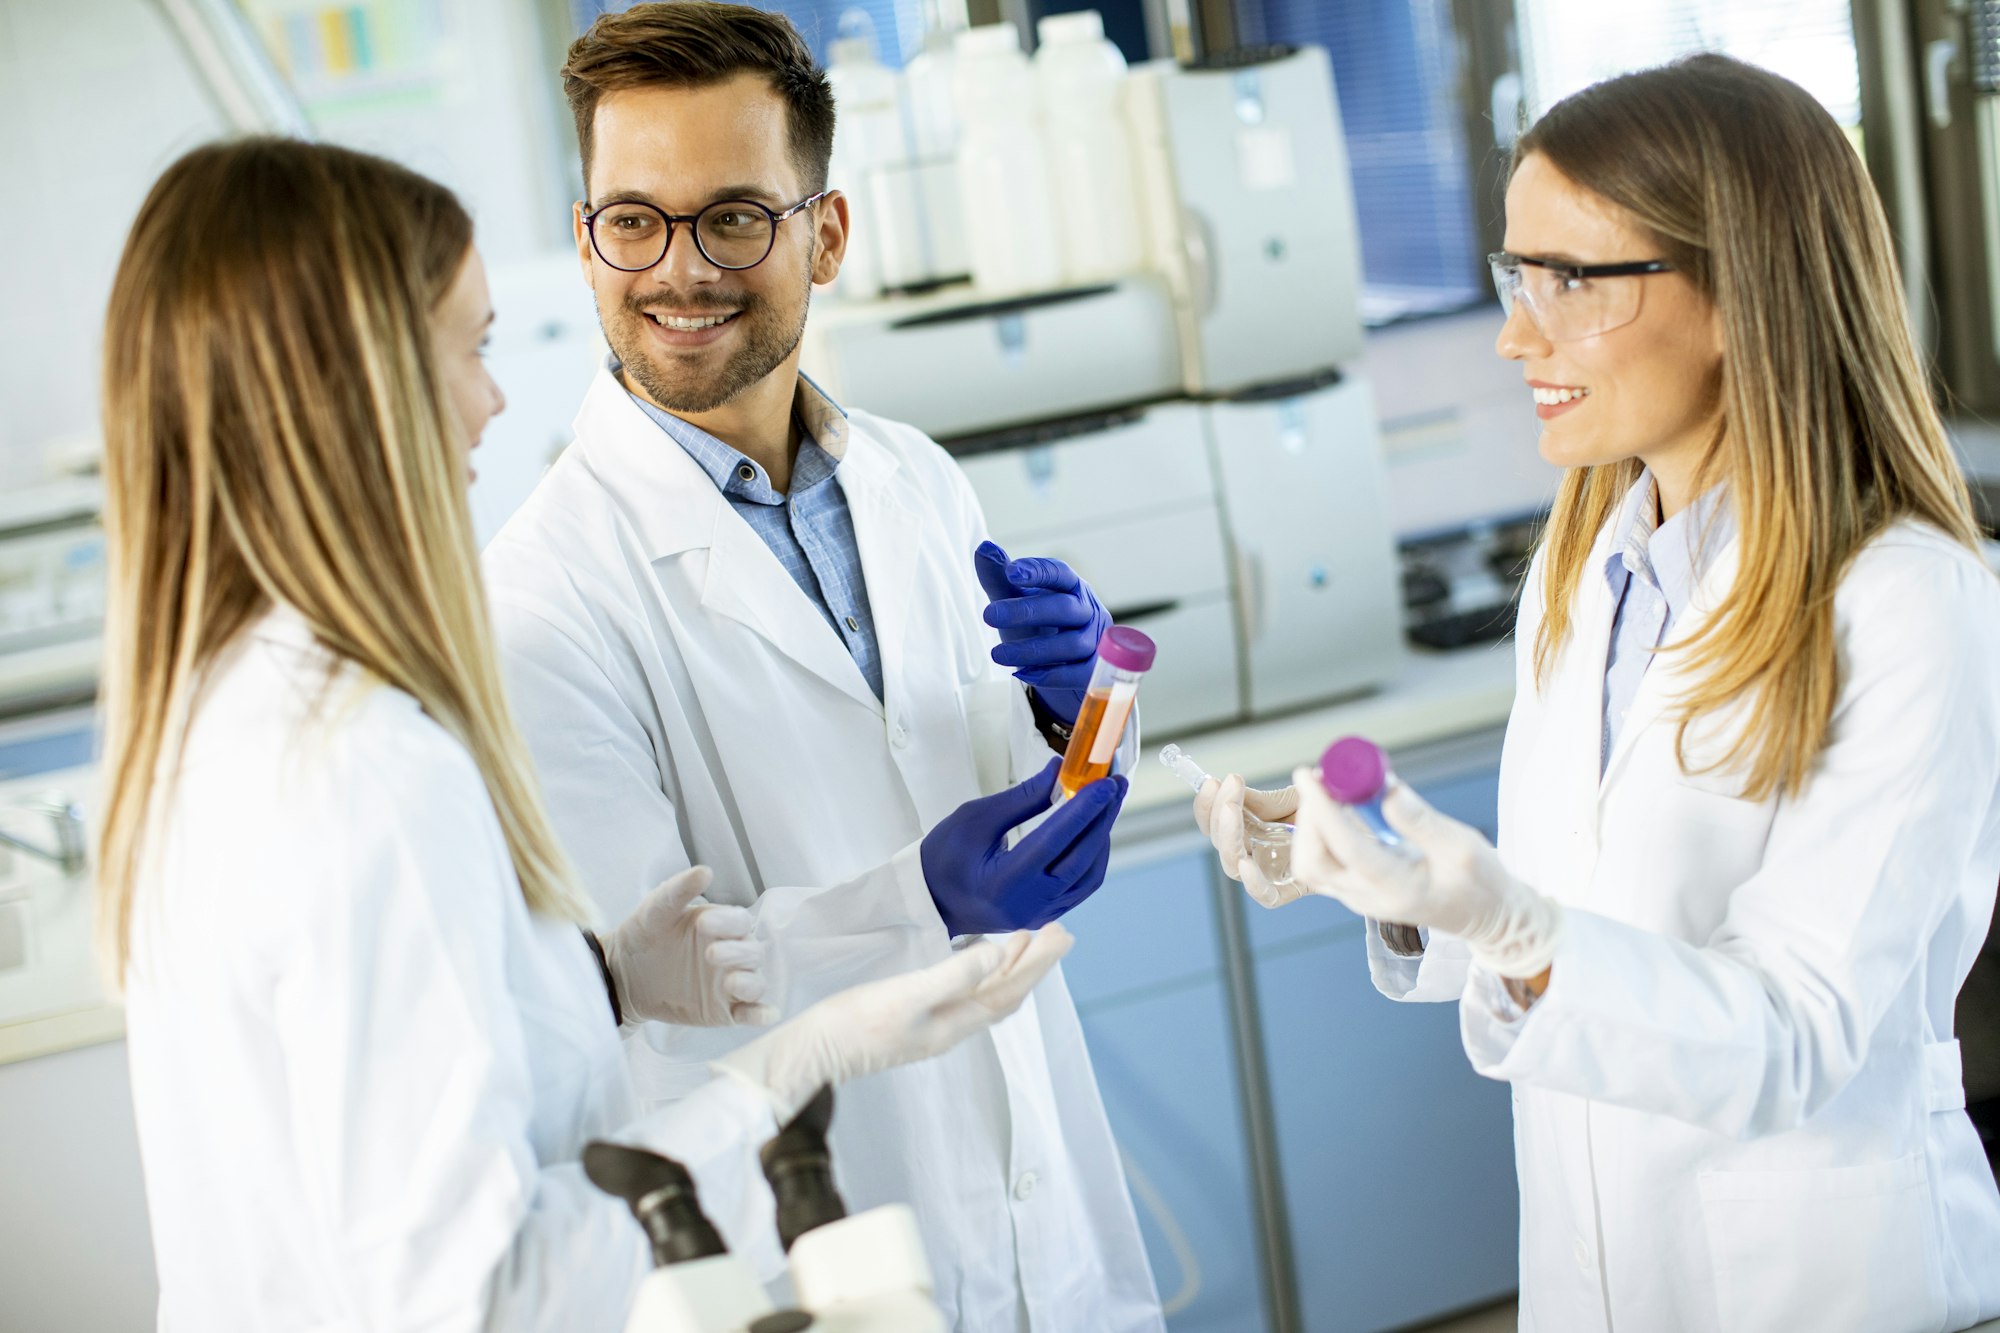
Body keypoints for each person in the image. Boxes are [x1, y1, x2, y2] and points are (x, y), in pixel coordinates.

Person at [98, 136, 1073, 1332]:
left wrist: (597, 980)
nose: (492, 399)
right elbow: (484, 1290)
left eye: (731, 217)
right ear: (355, 385)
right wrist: (785, 1073)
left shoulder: (230, 714)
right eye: (471, 347)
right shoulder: (369, 767)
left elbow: (369, 1085)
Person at [1194, 55, 2000, 1332]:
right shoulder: (1585, 578)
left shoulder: (1904, 600)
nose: (1516, 330)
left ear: (1740, 290)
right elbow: (1592, 925)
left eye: (1570, 280)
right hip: (1591, 1275)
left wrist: (1512, 925)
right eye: (1518, 274)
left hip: (1825, 1286)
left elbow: (1794, 1034)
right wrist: (1385, 879)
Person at [480, 6, 1162, 1329]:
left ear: (826, 234)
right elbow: (652, 986)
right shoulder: (542, 599)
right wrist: (921, 900)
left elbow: (1017, 804)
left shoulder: (914, 480)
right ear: (585, 240)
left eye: (734, 216)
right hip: (823, 1235)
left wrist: (1075, 712)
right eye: (634, 219)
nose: (678, 271)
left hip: (1045, 1193)